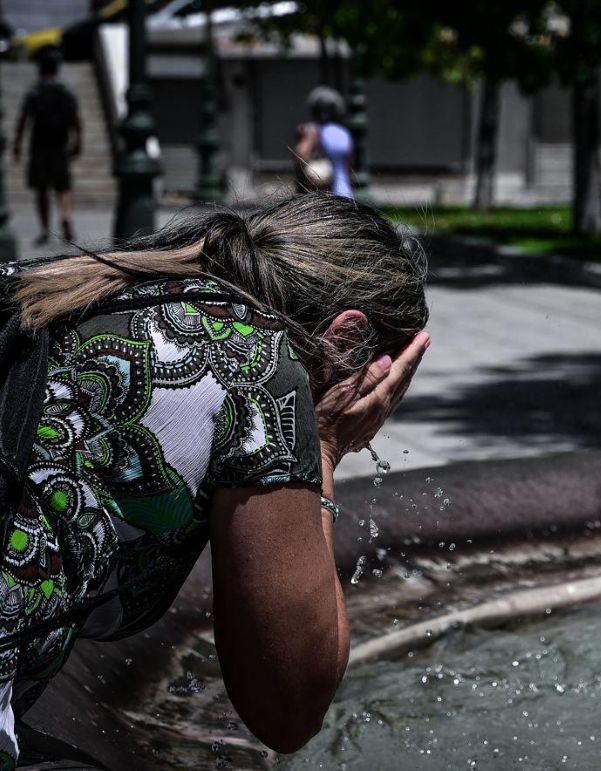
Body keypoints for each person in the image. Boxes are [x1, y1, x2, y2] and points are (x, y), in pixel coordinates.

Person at [0, 192, 429, 766]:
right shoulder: (253, 367)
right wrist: (322, 446)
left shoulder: (70, 288)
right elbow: (289, 709)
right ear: (347, 342)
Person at [12, 49, 82, 246]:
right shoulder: (65, 90)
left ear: (40, 69)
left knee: (41, 189)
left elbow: (23, 119)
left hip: (39, 146)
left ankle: (44, 229)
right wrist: (78, 140)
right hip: (60, 144)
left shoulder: (35, 91)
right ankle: (66, 217)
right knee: (64, 187)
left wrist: (17, 144)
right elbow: (76, 118)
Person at [293, 86, 354, 199]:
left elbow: (299, 157)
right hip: (345, 191)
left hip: (322, 196)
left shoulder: (312, 130)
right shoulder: (344, 133)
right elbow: (349, 165)